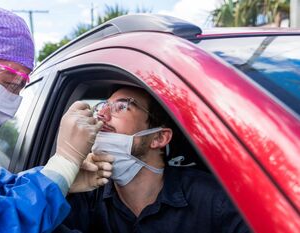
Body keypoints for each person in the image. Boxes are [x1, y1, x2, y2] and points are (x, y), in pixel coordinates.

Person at [0, 1, 113, 232]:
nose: (15, 98)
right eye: (11, 83)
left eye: (21, 86)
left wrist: (60, 178)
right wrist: (64, 163)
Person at [61, 86, 251, 233]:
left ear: (159, 138)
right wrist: (61, 183)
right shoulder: (85, 194)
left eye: (121, 106)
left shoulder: (213, 199)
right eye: (103, 106)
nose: (102, 114)